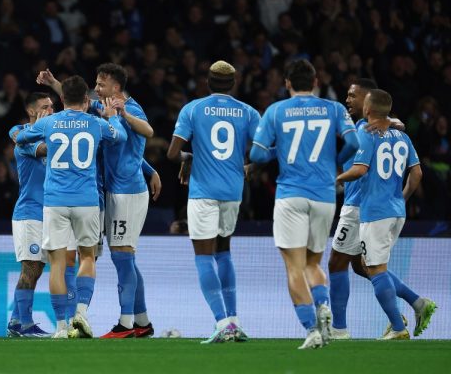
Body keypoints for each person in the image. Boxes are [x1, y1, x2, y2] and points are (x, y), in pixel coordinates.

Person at [37, 65, 162, 339]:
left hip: (127, 192)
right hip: (112, 190)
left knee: (123, 256)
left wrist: (123, 115)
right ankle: (142, 321)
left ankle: (126, 325)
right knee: (125, 258)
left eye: (101, 84)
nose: (96, 88)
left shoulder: (131, 108)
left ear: (115, 87)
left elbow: (148, 132)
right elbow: (76, 100)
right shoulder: (103, 106)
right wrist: (54, 83)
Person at [249, 59, 359, 349]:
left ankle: (311, 328)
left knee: (294, 267)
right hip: (324, 195)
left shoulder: (276, 111)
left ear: (287, 83)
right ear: (315, 83)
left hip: (291, 195)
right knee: (313, 263)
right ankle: (323, 304)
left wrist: (278, 151)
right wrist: (335, 163)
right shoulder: (334, 108)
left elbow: (257, 155)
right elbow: (354, 143)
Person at [16, 76, 127, 339]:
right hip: (86, 201)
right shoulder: (96, 123)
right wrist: (112, 117)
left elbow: (22, 137)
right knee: (87, 256)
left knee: (56, 263)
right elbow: (120, 137)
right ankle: (81, 313)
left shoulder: (49, 122)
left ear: (62, 98)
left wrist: (36, 129)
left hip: (54, 202)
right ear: (87, 100)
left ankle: (61, 327)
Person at [328, 79, 436, 339]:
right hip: (388, 206)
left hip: (361, 205)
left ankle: (341, 329)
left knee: (342, 263)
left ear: (368, 101)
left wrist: (334, 179)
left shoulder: (366, 129)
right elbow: (416, 172)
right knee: (361, 265)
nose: (348, 100)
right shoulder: (390, 130)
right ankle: (416, 303)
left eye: (353, 96)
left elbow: (360, 168)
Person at [166, 61, 259, 343]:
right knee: (224, 252)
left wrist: (190, 158)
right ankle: (234, 321)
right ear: (234, 83)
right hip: (233, 191)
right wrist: (249, 167)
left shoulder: (193, 109)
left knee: (203, 256)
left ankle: (221, 323)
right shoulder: (248, 112)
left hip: (203, 192)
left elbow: (172, 154)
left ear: (207, 82)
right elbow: (264, 151)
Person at [5, 92, 54, 338]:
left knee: (37, 269)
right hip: (29, 212)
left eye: (52, 106)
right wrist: (63, 138)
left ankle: (16, 321)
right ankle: (25, 324)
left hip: (48, 212)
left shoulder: (50, 132)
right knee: (30, 268)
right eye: (45, 107)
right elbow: (44, 150)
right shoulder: (23, 136)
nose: (51, 111)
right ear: (32, 111)